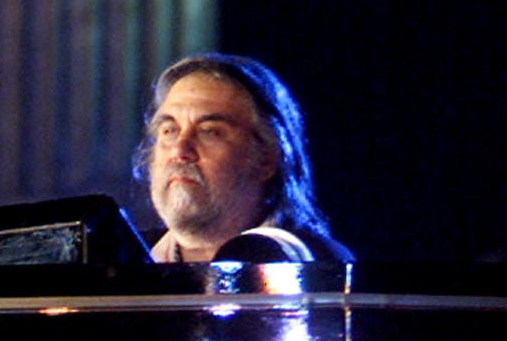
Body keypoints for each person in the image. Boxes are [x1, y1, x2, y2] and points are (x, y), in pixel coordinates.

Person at [133, 53, 354, 263]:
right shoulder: (124, 263)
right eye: (170, 130)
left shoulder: (314, 267)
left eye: (209, 131)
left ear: (266, 158)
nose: (180, 151)